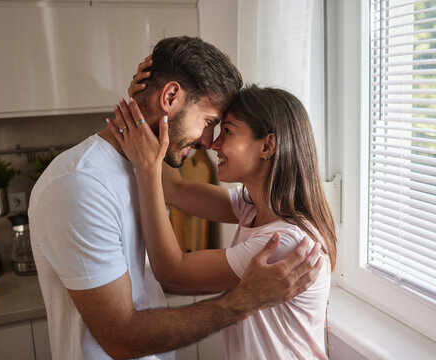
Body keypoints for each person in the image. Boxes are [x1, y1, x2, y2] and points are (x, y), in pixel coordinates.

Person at [28, 36, 322, 360]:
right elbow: (122, 337)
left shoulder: (144, 167)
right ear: (169, 96)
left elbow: (174, 194)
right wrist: (242, 301)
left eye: (223, 129)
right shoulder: (80, 186)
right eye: (210, 123)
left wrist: (140, 105)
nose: (209, 143)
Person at [108, 84, 337, 359]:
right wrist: (154, 107)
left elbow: (171, 269)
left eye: (227, 131)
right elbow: (175, 190)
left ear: (268, 145)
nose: (214, 143)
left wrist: (147, 168)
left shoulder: (281, 243)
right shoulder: (252, 207)